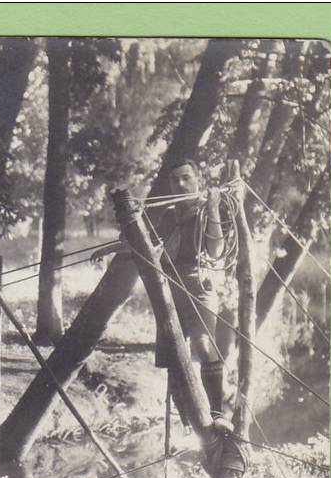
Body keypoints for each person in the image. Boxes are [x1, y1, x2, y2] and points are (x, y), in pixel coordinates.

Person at [91, 158, 230, 420]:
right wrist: (108, 248)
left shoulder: (206, 210)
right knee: (174, 355)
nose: (180, 184)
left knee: (202, 345)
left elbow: (216, 251)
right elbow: (145, 245)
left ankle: (218, 413)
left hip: (199, 286)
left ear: (197, 178)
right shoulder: (169, 215)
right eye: (175, 180)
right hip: (169, 289)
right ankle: (189, 419)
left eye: (186, 178)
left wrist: (212, 208)